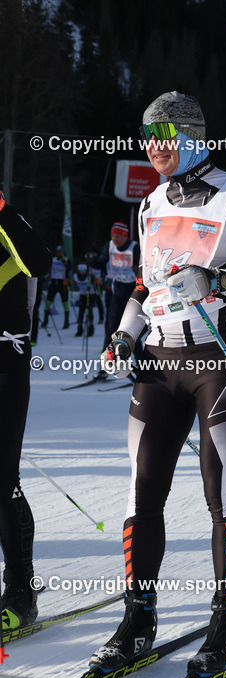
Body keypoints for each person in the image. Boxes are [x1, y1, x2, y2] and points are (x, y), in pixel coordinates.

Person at [89, 91, 226, 675]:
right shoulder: (148, 205)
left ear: (194, 134)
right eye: (148, 135)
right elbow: (144, 289)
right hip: (158, 360)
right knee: (142, 489)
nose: (155, 146)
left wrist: (216, 279)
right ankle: (138, 617)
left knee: (221, 492)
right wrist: (124, 334)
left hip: (220, 360)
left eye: (166, 134)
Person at [0, 191, 49, 630]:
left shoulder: (9, 221)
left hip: (5, 363)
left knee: (2, 478)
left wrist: (2, 212)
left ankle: (20, 590)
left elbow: (40, 262)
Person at [94, 221, 141, 344]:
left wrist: (137, 270)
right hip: (116, 289)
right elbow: (100, 263)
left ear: (125, 235)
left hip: (132, 290)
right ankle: (108, 351)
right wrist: (91, 260)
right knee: (112, 323)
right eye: (113, 236)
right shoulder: (109, 246)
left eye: (118, 236)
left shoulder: (134, 247)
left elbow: (143, 267)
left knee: (131, 324)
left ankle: (137, 355)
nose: (115, 239)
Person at [41, 244, 69, 330]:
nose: (59, 254)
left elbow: (69, 268)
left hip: (62, 283)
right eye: (58, 252)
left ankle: (66, 323)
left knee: (65, 304)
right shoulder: (53, 260)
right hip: (53, 283)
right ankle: (45, 322)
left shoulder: (66, 260)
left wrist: (66, 264)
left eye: (61, 252)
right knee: (47, 304)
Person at [71, 262, 100, 337]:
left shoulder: (90, 276)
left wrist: (97, 281)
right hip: (83, 295)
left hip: (91, 294)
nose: (82, 272)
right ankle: (79, 329)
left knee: (89, 311)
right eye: (81, 271)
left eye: (84, 270)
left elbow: (97, 280)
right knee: (81, 312)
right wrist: (68, 283)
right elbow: (72, 282)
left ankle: (91, 329)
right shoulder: (75, 276)